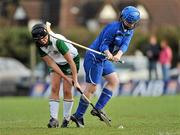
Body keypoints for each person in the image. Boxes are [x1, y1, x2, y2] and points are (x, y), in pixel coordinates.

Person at [70, 6, 140, 127]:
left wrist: (118, 55)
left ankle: (98, 108)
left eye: (133, 23)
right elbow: (104, 45)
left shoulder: (130, 30)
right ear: (122, 18)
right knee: (92, 88)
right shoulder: (113, 28)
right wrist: (108, 54)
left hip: (103, 59)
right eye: (128, 22)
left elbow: (125, 44)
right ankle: (78, 116)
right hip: (94, 57)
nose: (130, 25)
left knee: (114, 80)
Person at [31, 23, 81, 128]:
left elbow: (71, 62)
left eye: (43, 38)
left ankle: (66, 119)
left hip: (70, 61)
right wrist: (65, 77)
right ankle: (54, 119)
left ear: (47, 35)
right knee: (54, 88)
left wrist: (75, 81)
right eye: (39, 40)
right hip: (56, 62)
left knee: (67, 91)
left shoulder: (58, 42)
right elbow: (51, 64)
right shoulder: (39, 45)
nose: (42, 41)